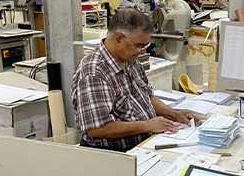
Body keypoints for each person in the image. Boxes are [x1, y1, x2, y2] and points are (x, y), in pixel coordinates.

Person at [72, 8, 200, 152]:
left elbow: (147, 97)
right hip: (114, 153)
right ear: (118, 39)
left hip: (147, 143)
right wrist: (148, 125)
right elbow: (96, 128)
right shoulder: (94, 73)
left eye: (145, 46)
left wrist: (174, 115)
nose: (143, 52)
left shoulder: (129, 60)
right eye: (139, 46)